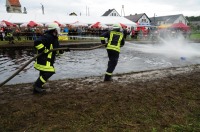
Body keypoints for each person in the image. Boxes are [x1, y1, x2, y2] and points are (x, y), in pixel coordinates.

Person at [33, 23, 67, 94]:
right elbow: (37, 42)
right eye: (57, 30)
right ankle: (37, 86)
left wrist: (62, 50)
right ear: (53, 30)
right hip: (44, 60)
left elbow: (56, 48)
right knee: (50, 72)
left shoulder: (54, 38)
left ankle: (39, 86)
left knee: (43, 73)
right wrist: (44, 50)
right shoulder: (48, 36)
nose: (58, 31)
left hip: (47, 60)